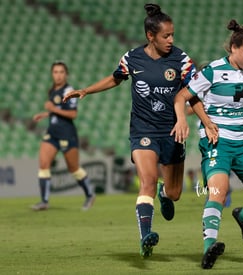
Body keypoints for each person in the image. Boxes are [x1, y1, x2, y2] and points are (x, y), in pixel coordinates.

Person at [62, 4, 196, 258]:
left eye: (172, 35)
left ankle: (164, 193)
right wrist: (86, 90)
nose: (171, 40)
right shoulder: (132, 58)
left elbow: (194, 93)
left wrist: (193, 119)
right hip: (143, 130)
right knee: (146, 181)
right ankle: (146, 235)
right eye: (166, 36)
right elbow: (116, 77)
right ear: (150, 36)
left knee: (175, 193)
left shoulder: (181, 59)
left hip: (172, 132)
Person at [172, 19, 243, 269]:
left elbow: (216, 103)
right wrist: (189, 120)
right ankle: (208, 247)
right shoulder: (212, 70)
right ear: (233, 47)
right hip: (217, 143)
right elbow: (183, 97)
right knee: (218, 192)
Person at [31, 61, 95, 211]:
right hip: (52, 132)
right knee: (43, 164)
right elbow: (59, 109)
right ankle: (44, 201)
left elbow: (73, 114)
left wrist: (52, 108)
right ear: (52, 74)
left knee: (73, 168)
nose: (58, 75)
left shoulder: (69, 90)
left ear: (66, 74)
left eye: (61, 72)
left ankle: (90, 195)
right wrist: (46, 113)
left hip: (67, 134)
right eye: (55, 72)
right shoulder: (52, 90)